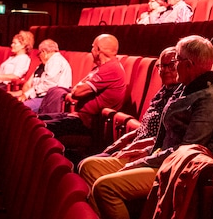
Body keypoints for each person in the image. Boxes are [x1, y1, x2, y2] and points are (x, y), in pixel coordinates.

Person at [87, 35, 213, 219]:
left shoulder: (208, 100)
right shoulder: (186, 88)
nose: (174, 66)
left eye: (178, 60)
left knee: (105, 187)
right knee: (91, 169)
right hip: (160, 159)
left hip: (176, 171)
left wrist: (140, 161)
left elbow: (185, 151)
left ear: (189, 65)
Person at [78, 47, 185, 186]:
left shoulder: (181, 96)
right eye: (161, 66)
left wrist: (137, 148)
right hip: (136, 145)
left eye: (170, 65)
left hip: (149, 154)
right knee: (86, 165)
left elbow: (169, 138)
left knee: (89, 168)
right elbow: (146, 127)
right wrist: (125, 139)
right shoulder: (163, 92)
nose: (164, 70)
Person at [43, 34, 126, 143]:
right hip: (78, 117)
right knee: (35, 120)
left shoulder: (111, 69)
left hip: (88, 124)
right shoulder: (102, 67)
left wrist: (77, 89)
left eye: (92, 47)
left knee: (39, 128)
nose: (91, 50)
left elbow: (77, 92)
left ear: (98, 50)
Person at [12, 39, 73, 112]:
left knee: (17, 109)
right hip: (43, 97)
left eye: (38, 54)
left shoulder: (55, 61)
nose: (39, 58)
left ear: (44, 52)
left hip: (48, 100)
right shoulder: (51, 62)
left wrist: (27, 94)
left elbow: (48, 85)